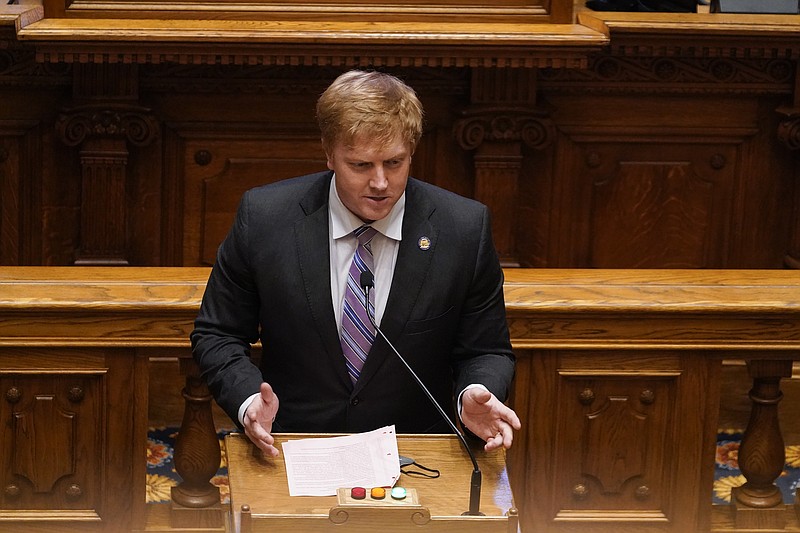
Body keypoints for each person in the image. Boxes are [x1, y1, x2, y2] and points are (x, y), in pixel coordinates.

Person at [191, 69, 521, 458]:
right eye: (361, 166)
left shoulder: (463, 229)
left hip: (414, 452)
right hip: (294, 447)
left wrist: (475, 390)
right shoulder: (266, 218)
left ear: (412, 152)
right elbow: (218, 333)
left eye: (394, 163)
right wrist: (248, 402)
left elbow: (486, 349)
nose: (380, 183)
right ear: (329, 154)